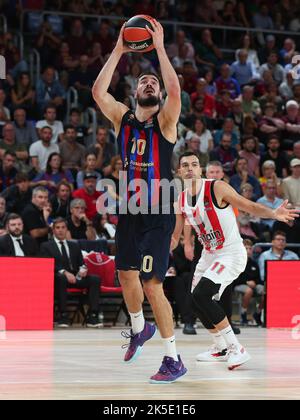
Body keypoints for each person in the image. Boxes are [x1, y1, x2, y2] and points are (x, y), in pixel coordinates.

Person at [92, 19, 187, 383]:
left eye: (155, 83)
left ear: (160, 96)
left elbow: (176, 91)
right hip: (130, 211)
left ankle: (173, 358)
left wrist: (160, 48)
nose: (150, 82)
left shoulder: (166, 122)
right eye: (143, 81)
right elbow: (99, 93)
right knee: (125, 275)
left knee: (151, 283)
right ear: (134, 93)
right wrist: (119, 47)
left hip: (158, 211)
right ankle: (139, 328)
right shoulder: (123, 119)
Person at [171, 151, 298, 369]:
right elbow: (175, 236)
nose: (190, 168)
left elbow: (247, 204)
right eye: (185, 165)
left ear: (200, 169)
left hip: (230, 253)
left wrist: (273, 214)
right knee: (195, 300)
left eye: (194, 164)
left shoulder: (216, 187)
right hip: (209, 255)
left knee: (203, 294)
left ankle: (236, 348)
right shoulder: (180, 200)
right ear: (180, 172)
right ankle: (219, 346)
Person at [40, 218, 101, 328]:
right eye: (57, 228)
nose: (60, 230)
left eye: (63, 227)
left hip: (75, 277)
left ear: (67, 230)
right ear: (53, 230)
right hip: (58, 278)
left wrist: (83, 269)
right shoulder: (46, 246)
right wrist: (65, 272)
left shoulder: (74, 245)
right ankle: (63, 315)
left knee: (95, 279)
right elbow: (49, 264)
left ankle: (93, 315)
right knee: (61, 278)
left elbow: (81, 263)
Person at [234, 239, 264, 326]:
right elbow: (235, 279)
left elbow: (259, 279)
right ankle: (243, 314)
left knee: (265, 291)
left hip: (253, 285)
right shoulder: (237, 262)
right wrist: (247, 282)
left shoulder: (254, 263)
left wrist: (254, 282)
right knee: (249, 291)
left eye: (250, 248)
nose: (248, 251)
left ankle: (258, 314)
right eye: (246, 248)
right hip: (239, 285)